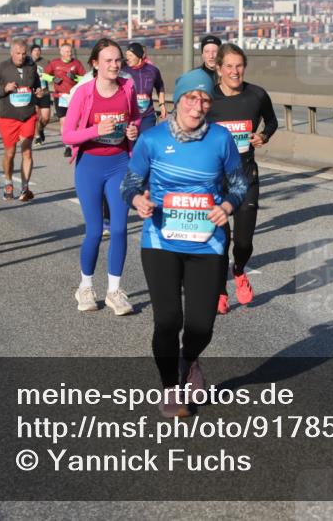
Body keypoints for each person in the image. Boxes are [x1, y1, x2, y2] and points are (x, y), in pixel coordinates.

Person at [120, 68, 247, 418]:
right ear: (179, 100)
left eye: (205, 99)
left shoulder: (221, 139)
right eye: (192, 98)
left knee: (201, 325)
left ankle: (188, 361)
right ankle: (171, 388)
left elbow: (239, 184)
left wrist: (227, 205)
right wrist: (137, 201)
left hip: (208, 243)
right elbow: (129, 184)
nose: (198, 105)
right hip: (160, 239)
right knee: (167, 320)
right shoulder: (153, 139)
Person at [61, 38, 140, 316]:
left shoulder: (128, 88)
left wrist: (132, 130)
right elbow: (68, 135)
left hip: (119, 163)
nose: (114, 65)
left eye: (117, 60)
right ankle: (85, 286)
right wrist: (96, 130)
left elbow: (136, 118)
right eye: (108, 60)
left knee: (119, 229)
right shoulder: (84, 93)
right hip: (90, 166)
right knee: (94, 230)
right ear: (95, 64)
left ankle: (114, 292)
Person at [205, 43, 277, 314]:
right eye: (229, 67)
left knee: (244, 241)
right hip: (216, 180)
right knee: (221, 240)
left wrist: (263, 136)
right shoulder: (207, 98)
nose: (235, 72)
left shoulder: (256, 95)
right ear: (218, 68)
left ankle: (239, 270)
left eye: (239, 66)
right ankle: (221, 289)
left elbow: (271, 122)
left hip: (246, 175)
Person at [0, 40, 43, 201]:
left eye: (24, 53)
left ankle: (25, 188)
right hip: (8, 117)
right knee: (10, 153)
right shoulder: (2, 67)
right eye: (18, 53)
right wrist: (4, 89)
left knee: (27, 151)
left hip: (28, 115)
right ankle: (8, 182)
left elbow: (37, 85)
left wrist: (38, 91)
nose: (21, 56)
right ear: (11, 53)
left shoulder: (31, 66)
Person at [45, 43, 86, 158]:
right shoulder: (54, 63)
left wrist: (75, 78)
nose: (70, 54)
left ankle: (77, 141)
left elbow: (84, 78)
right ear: (61, 52)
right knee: (64, 121)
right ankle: (67, 146)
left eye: (70, 51)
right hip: (60, 96)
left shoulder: (76, 63)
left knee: (76, 121)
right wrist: (53, 78)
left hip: (74, 96)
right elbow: (44, 75)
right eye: (67, 52)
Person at [123, 42, 166, 133]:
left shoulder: (152, 70)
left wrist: (162, 105)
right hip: (129, 117)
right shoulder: (123, 71)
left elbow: (160, 86)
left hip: (147, 116)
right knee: (132, 144)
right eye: (126, 55)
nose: (127, 58)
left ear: (138, 55)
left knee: (146, 141)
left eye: (130, 55)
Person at [29, 44, 52, 146]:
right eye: (35, 51)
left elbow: (52, 75)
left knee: (46, 117)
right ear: (31, 52)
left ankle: (40, 129)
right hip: (32, 93)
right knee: (36, 116)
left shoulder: (45, 62)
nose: (37, 52)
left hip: (44, 92)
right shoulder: (27, 62)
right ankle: (37, 137)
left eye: (39, 50)